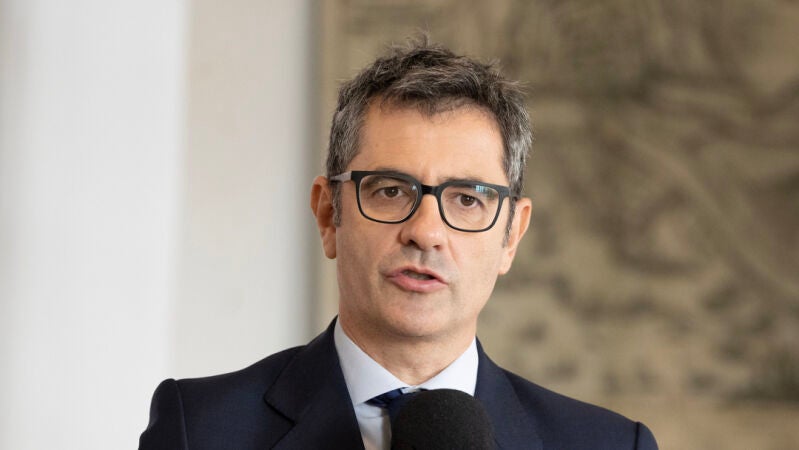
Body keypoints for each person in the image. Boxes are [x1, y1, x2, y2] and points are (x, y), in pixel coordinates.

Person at [139, 39, 658, 450]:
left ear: (511, 235)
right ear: (328, 214)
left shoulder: (610, 444)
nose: (426, 232)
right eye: (390, 191)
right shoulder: (200, 429)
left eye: (467, 199)